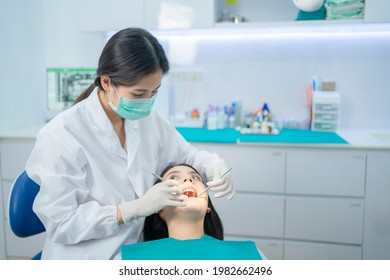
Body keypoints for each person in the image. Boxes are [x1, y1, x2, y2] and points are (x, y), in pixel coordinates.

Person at [25, 27, 234, 260]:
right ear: (106, 82)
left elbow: (188, 157)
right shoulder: (61, 135)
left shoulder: (148, 121)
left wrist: (212, 165)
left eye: (154, 92)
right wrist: (128, 211)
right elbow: (61, 223)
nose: (147, 102)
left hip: (138, 253)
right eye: (138, 94)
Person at [121, 163, 265, 260]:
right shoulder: (128, 260)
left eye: (196, 177)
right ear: (159, 207)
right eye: (173, 178)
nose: (188, 179)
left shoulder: (251, 255)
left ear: (208, 205)